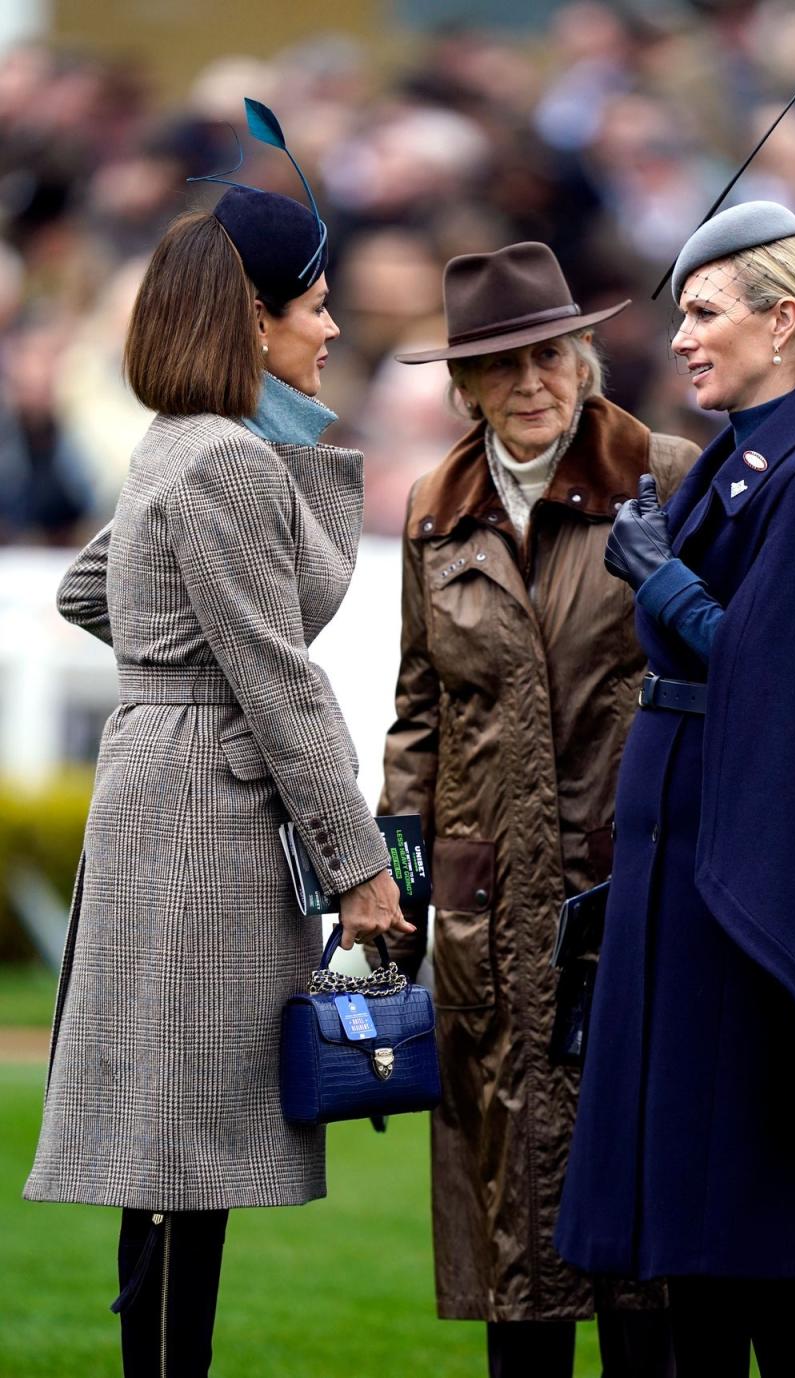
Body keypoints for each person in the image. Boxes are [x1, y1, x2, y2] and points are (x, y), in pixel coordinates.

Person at [24, 100, 414, 1377]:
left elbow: (99, 591)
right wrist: (361, 869)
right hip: (203, 815)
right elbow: (281, 681)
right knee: (186, 1150)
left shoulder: (173, 450)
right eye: (314, 306)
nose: (335, 326)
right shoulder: (231, 464)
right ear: (256, 318)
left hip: (155, 790)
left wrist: (160, 667)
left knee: (163, 1154)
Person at [556, 202, 795, 1378]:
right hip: (688, 873)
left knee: (743, 1215)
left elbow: (768, 680)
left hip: (737, 886)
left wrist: (658, 578)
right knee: (697, 1222)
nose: (686, 337)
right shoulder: (746, 463)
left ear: (784, 321)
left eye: (706, 312)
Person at [383, 240, 699, 1378]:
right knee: (511, 1229)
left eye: (550, 356)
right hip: (486, 912)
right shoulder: (434, 504)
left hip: (626, 897)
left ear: (586, 357)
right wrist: (400, 892)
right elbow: (417, 715)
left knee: (640, 1240)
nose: (531, 384)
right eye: (503, 366)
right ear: (464, 387)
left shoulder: (662, 472)